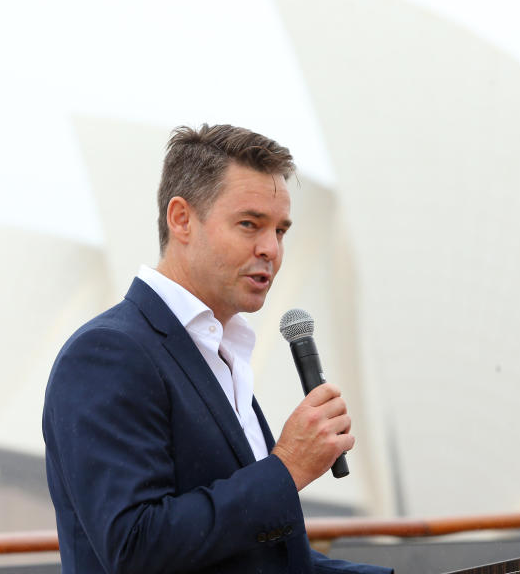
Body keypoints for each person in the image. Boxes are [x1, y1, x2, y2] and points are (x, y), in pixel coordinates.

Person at [43, 124, 392, 573]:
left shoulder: (222, 352)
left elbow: (263, 561)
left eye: (282, 230)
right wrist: (285, 470)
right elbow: (134, 549)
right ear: (182, 219)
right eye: (250, 224)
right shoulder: (107, 354)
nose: (270, 249)